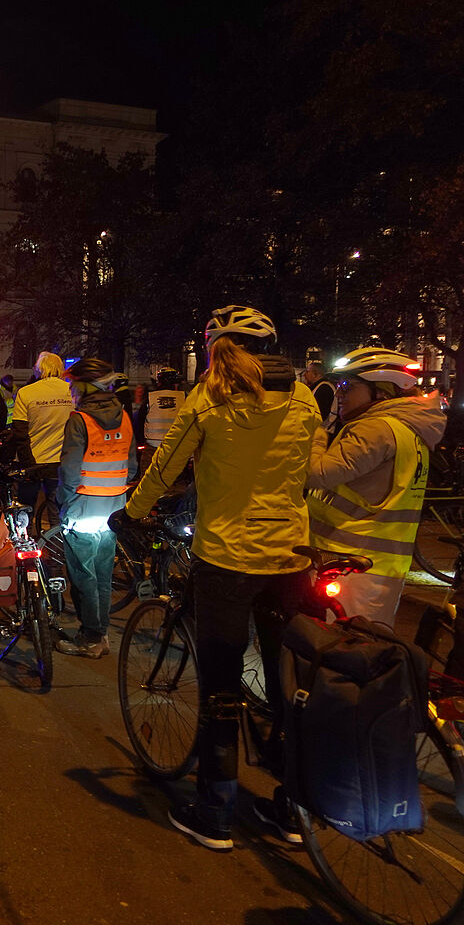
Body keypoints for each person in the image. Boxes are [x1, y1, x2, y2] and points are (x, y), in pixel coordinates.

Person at [121, 304, 319, 853]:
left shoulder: (210, 395)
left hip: (228, 558)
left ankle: (215, 812)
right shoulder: (303, 395)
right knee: (290, 687)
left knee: (220, 689)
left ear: (216, 349)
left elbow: (166, 464)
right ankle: (294, 809)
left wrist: (133, 513)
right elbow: (313, 465)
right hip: (290, 560)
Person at [307, 347, 443, 626]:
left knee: (334, 649)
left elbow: (316, 473)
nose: (339, 394)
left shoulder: (376, 428)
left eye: (347, 386)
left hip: (348, 562)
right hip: (379, 566)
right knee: (364, 647)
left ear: (381, 391)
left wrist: (316, 434)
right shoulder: (408, 429)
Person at [54, 358, 138, 659]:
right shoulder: (126, 416)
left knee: (82, 576)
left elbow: (70, 471)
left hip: (83, 507)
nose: (72, 391)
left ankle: (89, 637)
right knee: (103, 574)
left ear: (87, 386)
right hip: (114, 509)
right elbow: (131, 467)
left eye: (74, 384)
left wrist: (63, 502)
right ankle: (101, 635)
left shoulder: (80, 420)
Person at [9, 351, 75, 516]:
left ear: (39, 369)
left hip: (33, 461)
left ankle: (26, 540)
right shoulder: (72, 391)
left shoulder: (26, 393)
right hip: (60, 462)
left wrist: (27, 463)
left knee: (25, 512)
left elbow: (20, 432)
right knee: (57, 512)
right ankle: (55, 540)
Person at [141, 368, 187, 475]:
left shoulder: (150, 398)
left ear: (159, 381)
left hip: (152, 446)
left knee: (148, 478)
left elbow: (140, 420)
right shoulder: (184, 397)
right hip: (175, 446)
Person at [302, 361, 336, 426]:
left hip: (324, 431)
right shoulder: (318, 387)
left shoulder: (324, 388)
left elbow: (320, 414)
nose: (304, 375)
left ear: (316, 374)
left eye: (307, 372)